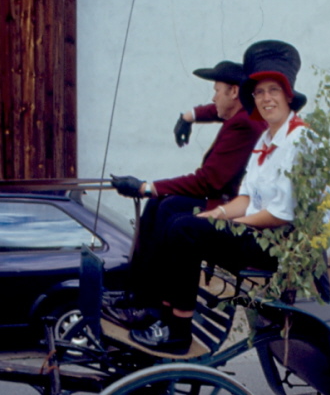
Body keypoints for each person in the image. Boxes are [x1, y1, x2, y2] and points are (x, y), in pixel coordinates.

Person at [110, 39, 309, 354]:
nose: (265, 98)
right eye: (259, 92)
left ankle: (177, 334)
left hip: (278, 242)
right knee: (181, 220)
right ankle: (157, 310)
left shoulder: (299, 140)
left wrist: (230, 224)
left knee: (185, 228)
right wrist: (215, 216)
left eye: (274, 90)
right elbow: (246, 198)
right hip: (257, 230)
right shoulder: (266, 139)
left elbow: (280, 214)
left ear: (288, 96)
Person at [106, 61, 266, 323]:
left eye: (216, 90)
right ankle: (139, 294)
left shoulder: (243, 125)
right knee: (160, 203)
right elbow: (217, 110)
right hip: (225, 201)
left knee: (170, 210)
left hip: (231, 208)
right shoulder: (242, 113)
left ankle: (153, 305)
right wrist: (189, 116)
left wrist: (146, 187)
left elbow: (207, 182)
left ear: (234, 92)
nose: (213, 97)